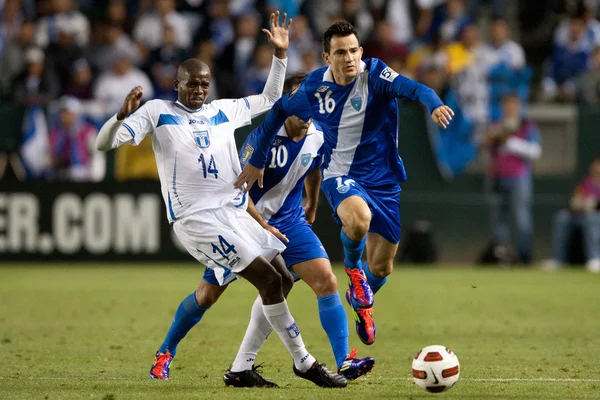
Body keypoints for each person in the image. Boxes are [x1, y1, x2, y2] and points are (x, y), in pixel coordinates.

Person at [95, 12, 346, 389]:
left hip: (235, 213)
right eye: (191, 84)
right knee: (261, 280)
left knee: (281, 276)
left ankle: (243, 369)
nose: (198, 90)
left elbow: (269, 98)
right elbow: (105, 143)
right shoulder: (157, 112)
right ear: (176, 84)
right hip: (197, 219)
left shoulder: (222, 111)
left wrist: (280, 56)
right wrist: (118, 118)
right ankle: (303, 361)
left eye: (204, 84)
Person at [235, 21, 454, 346]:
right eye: (341, 52)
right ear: (327, 57)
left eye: (353, 50)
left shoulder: (376, 75)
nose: (349, 57)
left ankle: (360, 298)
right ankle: (352, 268)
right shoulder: (314, 88)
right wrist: (257, 158)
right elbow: (279, 110)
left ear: (361, 52)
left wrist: (434, 104)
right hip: (342, 174)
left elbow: (417, 89)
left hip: (385, 180)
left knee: (382, 267)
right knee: (358, 221)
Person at [482, 93, 541, 264]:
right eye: (507, 106)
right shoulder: (497, 125)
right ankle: (501, 257)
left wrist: (511, 142)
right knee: (499, 219)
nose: (510, 109)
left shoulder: (527, 125)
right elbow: (486, 143)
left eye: (513, 105)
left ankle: (525, 257)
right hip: (497, 177)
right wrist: (497, 133)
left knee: (522, 218)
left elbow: (536, 151)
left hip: (519, 177)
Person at [545, 157, 600, 273]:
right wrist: (581, 203)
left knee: (592, 218)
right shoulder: (586, 183)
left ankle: (594, 258)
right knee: (562, 217)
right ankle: (558, 259)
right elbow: (575, 200)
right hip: (581, 215)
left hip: (595, 217)